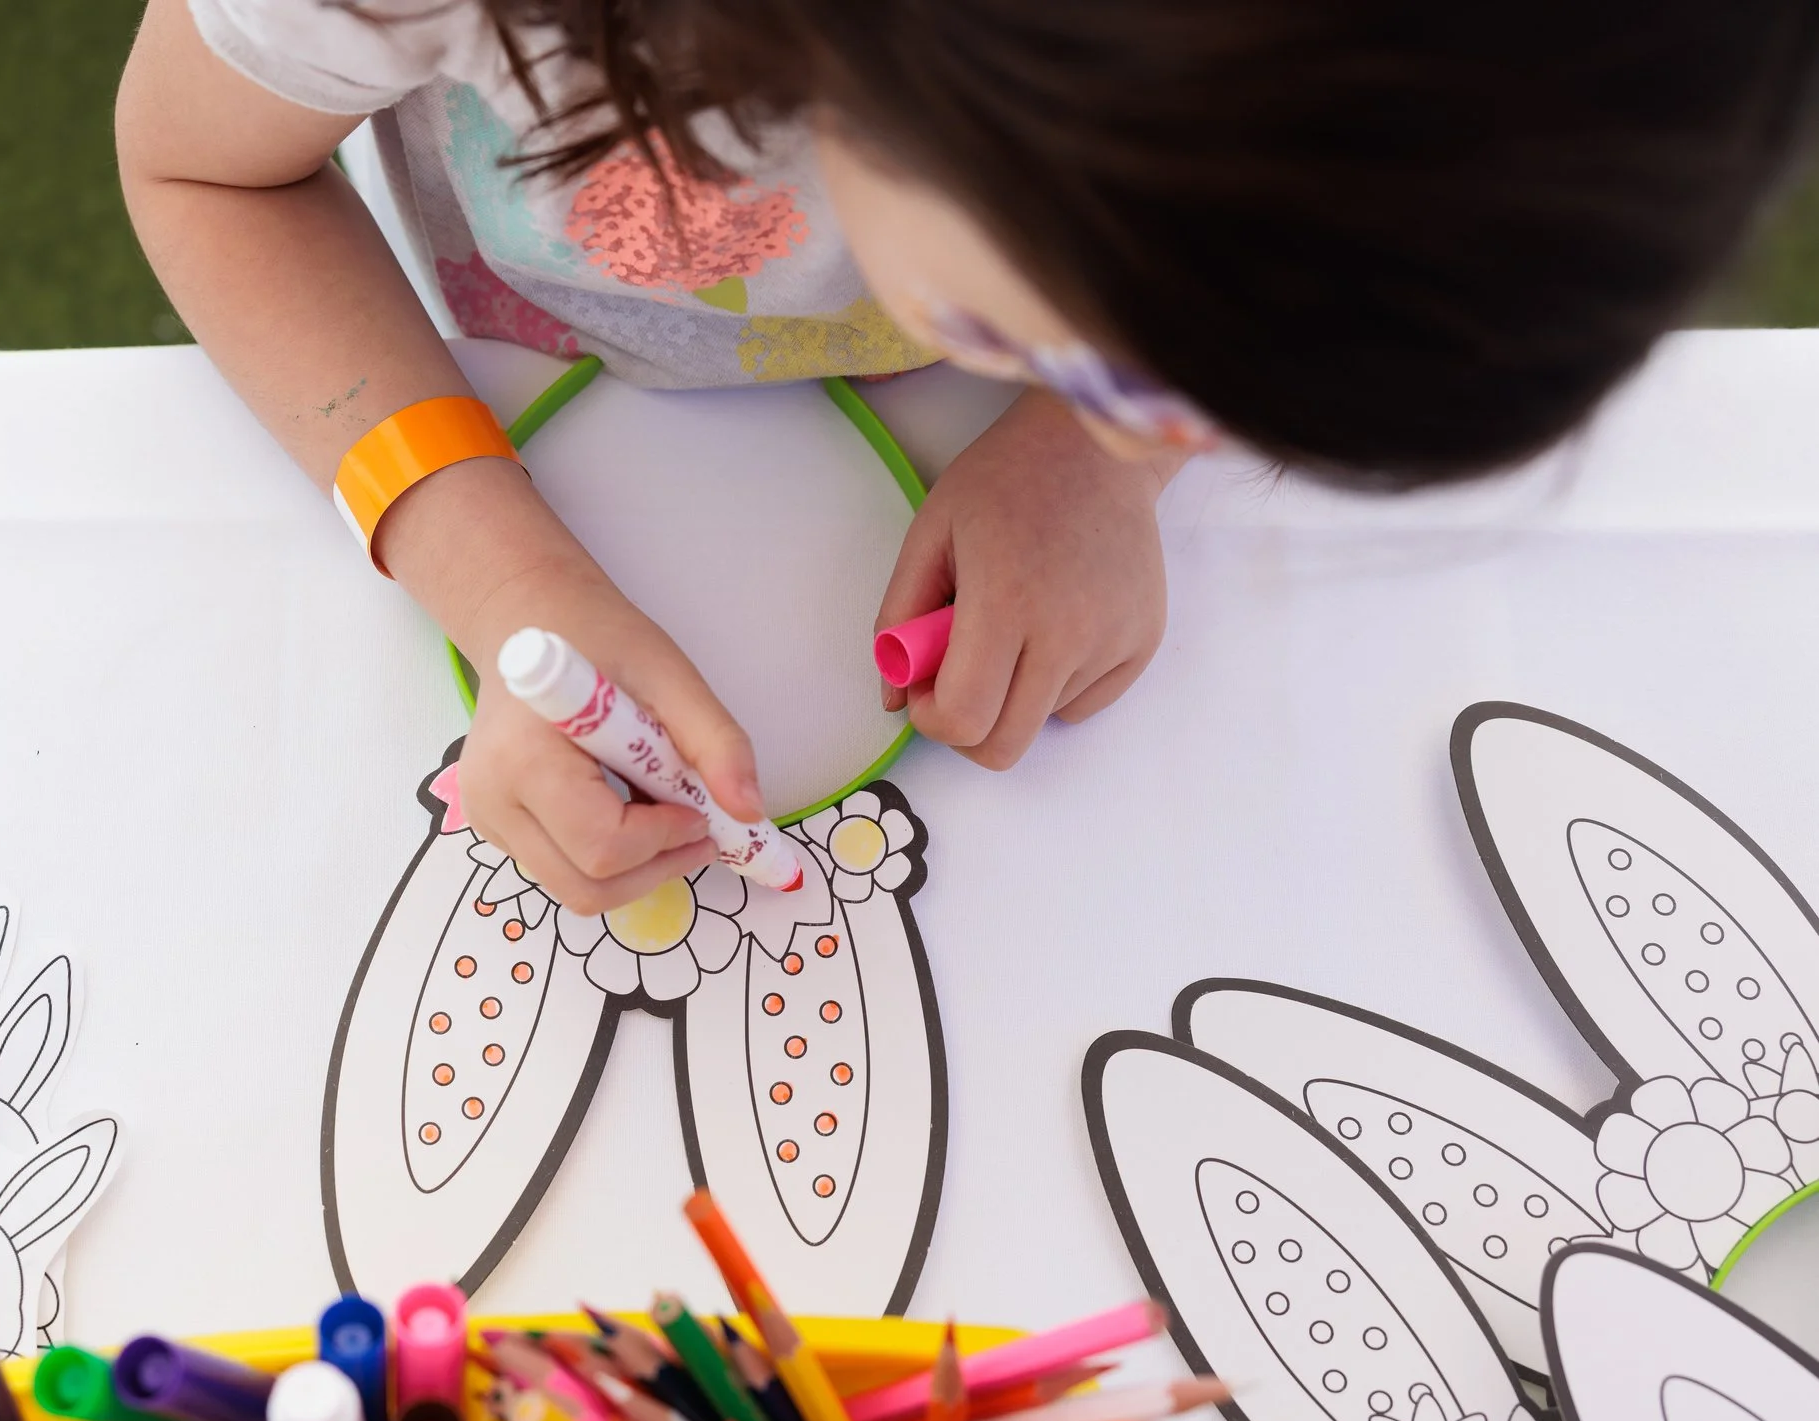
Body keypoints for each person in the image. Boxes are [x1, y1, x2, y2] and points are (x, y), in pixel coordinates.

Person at [116, 0, 1817, 912]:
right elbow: (206, 173)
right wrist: (498, 574)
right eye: (1116, 360)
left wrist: (1100, 454)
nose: (1183, 425)